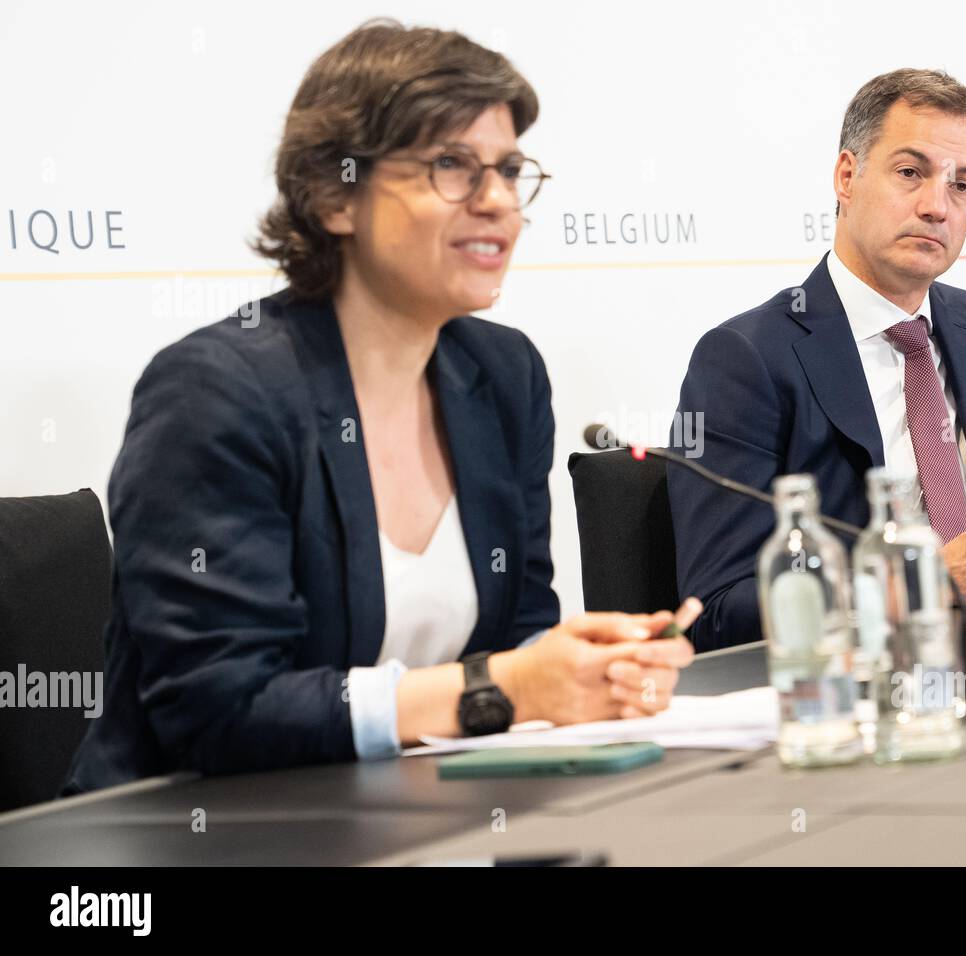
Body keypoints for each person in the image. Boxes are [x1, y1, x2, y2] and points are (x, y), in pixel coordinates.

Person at [64, 20, 696, 794]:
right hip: (210, 834)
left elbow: (517, 639)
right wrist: (499, 690)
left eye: (508, 170)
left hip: (422, 818)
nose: (499, 202)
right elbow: (216, 711)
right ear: (335, 196)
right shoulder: (216, 390)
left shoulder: (503, 377)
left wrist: (589, 675)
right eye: (451, 167)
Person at [668, 68, 966, 652]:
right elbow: (719, 610)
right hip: (867, 689)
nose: (937, 206)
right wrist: (925, 580)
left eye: (962, 185)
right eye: (910, 173)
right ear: (847, 176)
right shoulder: (747, 359)